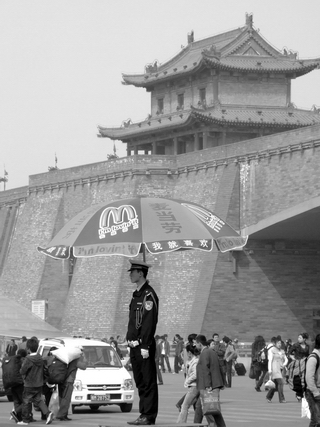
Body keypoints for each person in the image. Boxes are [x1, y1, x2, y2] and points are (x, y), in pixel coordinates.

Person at [126, 259, 159, 426]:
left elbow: (149, 322)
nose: (130, 274)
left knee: (148, 381)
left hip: (143, 346)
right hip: (133, 346)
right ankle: (143, 413)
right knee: (140, 382)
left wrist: (145, 345)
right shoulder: (136, 294)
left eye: (133, 272)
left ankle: (149, 415)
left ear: (141, 273)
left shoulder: (148, 295)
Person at [19, 338, 53, 425]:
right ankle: (48, 413)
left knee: (26, 401)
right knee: (38, 400)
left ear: (28, 348)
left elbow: (22, 371)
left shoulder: (28, 359)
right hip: (39, 383)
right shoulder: (40, 358)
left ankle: (25, 420)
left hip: (29, 384)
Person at [194, 334, 226, 427]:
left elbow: (205, 369)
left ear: (200, 343)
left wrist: (208, 386)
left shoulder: (205, 353)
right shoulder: (212, 351)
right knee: (202, 407)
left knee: (209, 410)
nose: (195, 345)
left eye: (196, 343)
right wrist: (222, 382)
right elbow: (219, 367)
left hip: (207, 385)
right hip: (214, 383)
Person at [56, 346, 87, 421]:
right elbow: (84, 366)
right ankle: (61, 415)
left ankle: (64, 414)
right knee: (66, 399)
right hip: (69, 381)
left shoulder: (70, 359)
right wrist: (84, 356)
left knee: (64, 398)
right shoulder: (75, 360)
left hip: (64, 381)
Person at [177, 344, 199, 423]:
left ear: (189, 352)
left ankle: (180, 423)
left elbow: (195, 374)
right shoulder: (191, 361)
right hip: (193, 386)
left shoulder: (195, 361)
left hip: (194, 386)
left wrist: (187, 381)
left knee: (184, 405)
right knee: (198, 407)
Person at [288, 332, 310, 401]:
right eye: (298, 337)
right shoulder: (295, 345)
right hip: (297, 364)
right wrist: (293, 358)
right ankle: (298, 394)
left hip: (305, 363)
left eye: (300, 338)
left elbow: (307, 354)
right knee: (297, 378)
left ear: (304, 339)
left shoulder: (307, 346)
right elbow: (289, 353)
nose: (298, 339)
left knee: (305, 379)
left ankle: (302, 394)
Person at [266, 337, 288, 404]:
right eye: (278, 343)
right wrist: (269, 369)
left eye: (280, 343)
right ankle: (281, 398)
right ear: (275, 343)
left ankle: (269, 396)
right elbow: (270, 360)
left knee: (275, 384)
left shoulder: (282, 351)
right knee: (281, 382)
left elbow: (286, 359)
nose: (279, 344)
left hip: (280, 368)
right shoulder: (272, 350)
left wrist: (284, 364)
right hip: (274, 367)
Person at [305, 333, 320, 427]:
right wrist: (316, 393)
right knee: (316, 421)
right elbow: (309, 378)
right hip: (314, 393)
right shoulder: (313, 358)